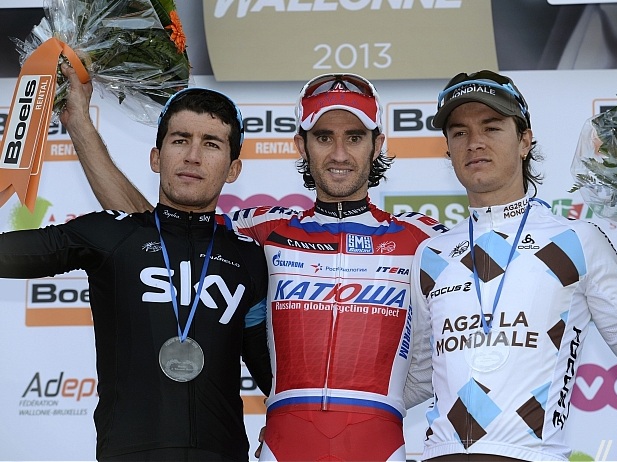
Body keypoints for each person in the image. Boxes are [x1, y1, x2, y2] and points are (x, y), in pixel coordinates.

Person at [57, 68, 448, 461]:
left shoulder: (425, 239)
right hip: (283, 447)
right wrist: (82, 130)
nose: (339, 154)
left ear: (377, 144)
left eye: (355, 137)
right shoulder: (262, 229)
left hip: (381, 445)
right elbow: (157, 234)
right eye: (324, 137)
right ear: (301, 144)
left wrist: (398, 393)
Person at [407, 70, 617, 461]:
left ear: (525, 140)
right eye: (459, 133)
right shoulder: (431, 254)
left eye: (491, 128)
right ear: (448, 151)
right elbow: (418, 379)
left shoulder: (577, 240)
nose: (474, 142)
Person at [0, 82, 272, 461]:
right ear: (156, 158)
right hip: (129, 452)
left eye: (211, 144)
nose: (193, 156)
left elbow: (274, 376)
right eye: (180, 140)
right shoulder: (112, 233)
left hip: (222, 453)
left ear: (233, 168)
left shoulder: (250, 258)